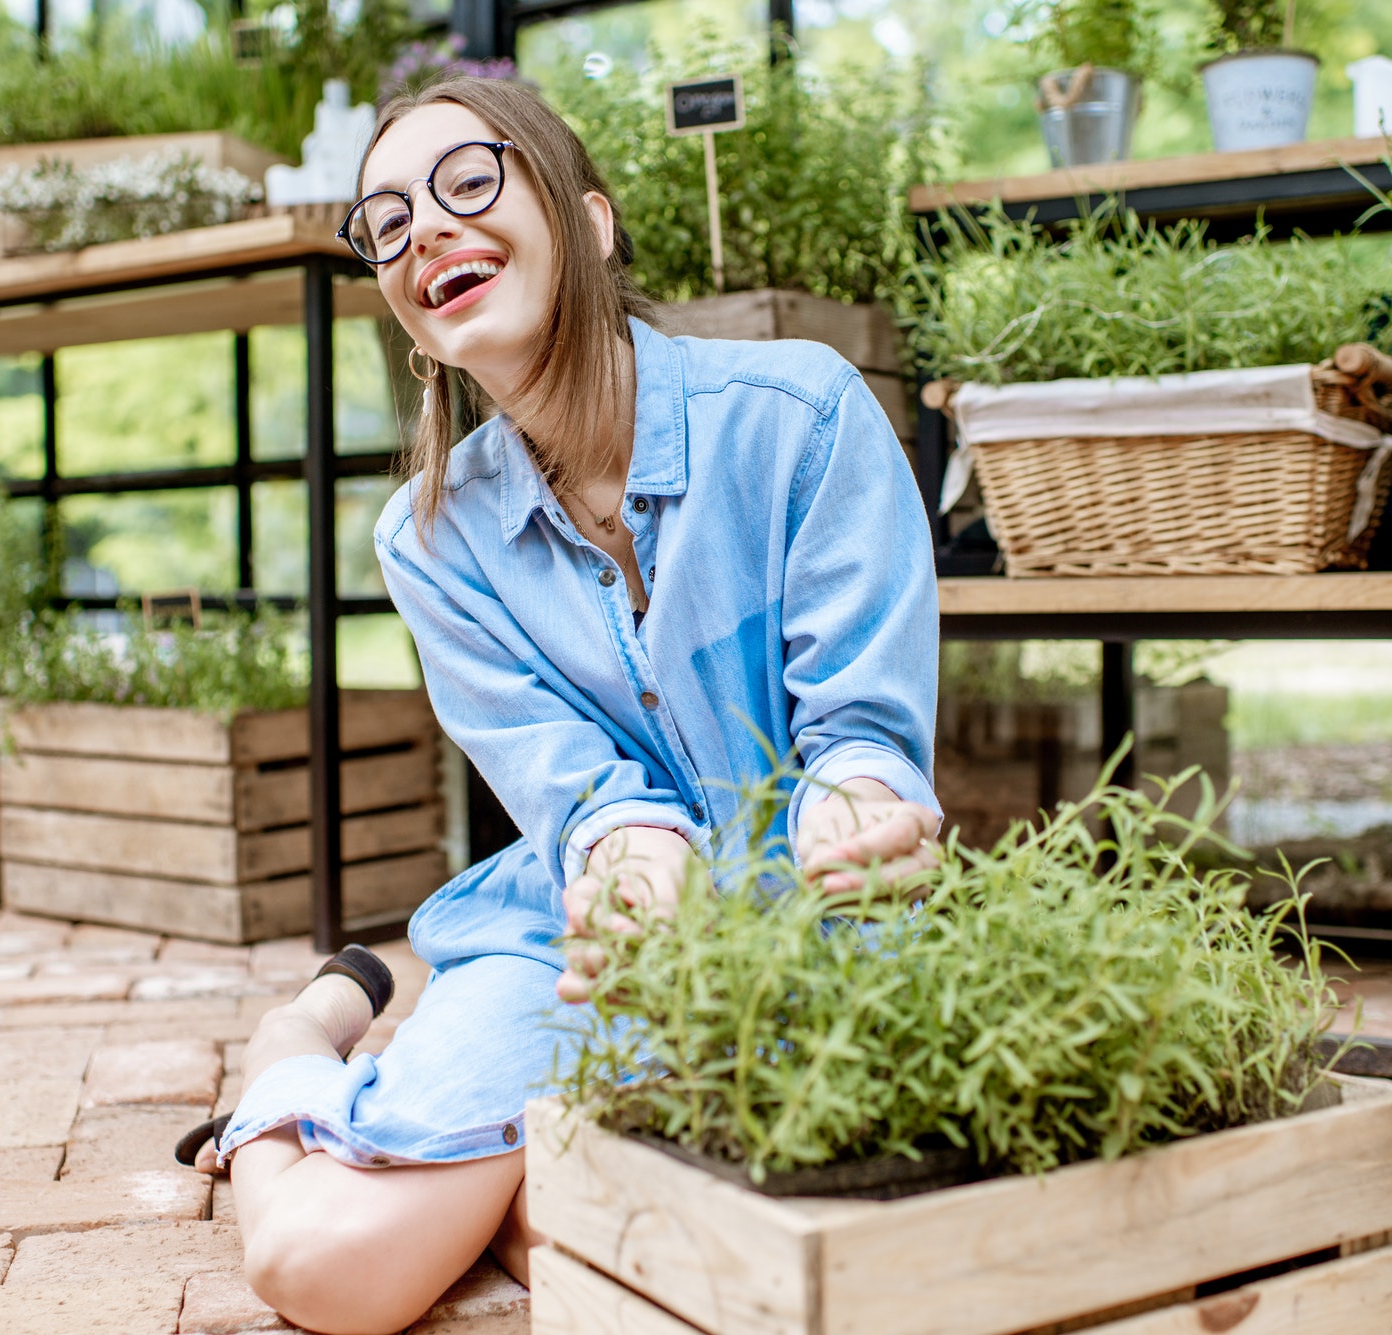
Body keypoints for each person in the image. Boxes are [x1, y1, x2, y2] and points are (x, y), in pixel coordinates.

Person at [174, 74, 942, 1335]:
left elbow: (858, 732)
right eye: (385, 221)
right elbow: (578, 791)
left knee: (718, 1234)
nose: (424, 228)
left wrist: (854, 815)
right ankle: (301, 1029)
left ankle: (498, 1154)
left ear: (587, 222)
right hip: (579, 939)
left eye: (468, 182)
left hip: (809, 924)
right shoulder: (429, 542)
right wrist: (632, 858)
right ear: (403, 306)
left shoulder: (800, 417)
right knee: (323, 1271)